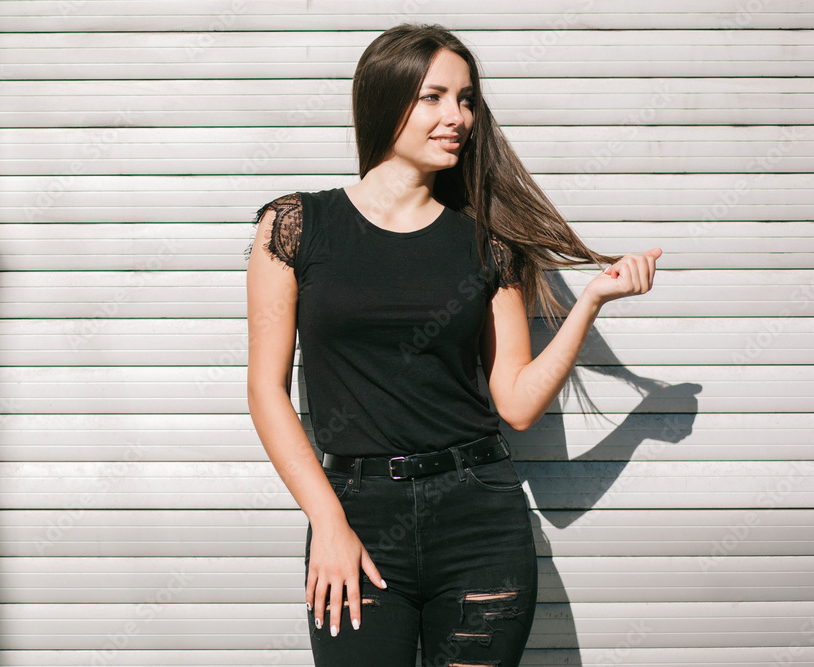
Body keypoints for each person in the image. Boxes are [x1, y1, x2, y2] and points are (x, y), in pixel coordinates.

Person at [244, 22, 661, 667]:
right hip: (357, 516)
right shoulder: (298, 226)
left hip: (479, 519)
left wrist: (590, 303)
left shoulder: (487, 244)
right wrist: (327, 522)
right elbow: (265, 391)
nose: (457, 117)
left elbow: (517, 404)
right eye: (434, 97)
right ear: (387, 100)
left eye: (466, 99)